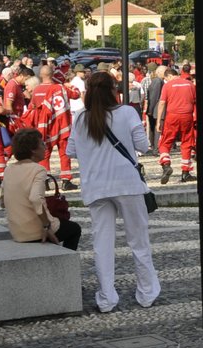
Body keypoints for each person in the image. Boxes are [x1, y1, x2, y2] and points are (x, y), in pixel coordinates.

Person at [67, 71, 159, 313]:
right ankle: (146, 292)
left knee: (102, 243)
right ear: (113, 90)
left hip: (95, 187)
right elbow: (143, 146)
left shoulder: (80, 118)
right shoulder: (127, 113)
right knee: (139, 241)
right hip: (127, 185)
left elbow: (71, 151)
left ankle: (107, 297)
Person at [2, 128, 81, 250]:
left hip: (17, 231)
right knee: (74, 229)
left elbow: (3, 202)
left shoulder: (9, 169)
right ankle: (65, 264)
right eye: (42, 144)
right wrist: (46, 226)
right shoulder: (38, 170)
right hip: (36, 231)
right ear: (33, 150)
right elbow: (35, 198)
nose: (45, 147)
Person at [29, 66, 76, 190]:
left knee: (44, 154)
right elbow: (76, 95)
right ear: (53, 74)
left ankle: (44, 181)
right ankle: (66, 181)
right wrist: (71, 86)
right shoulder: (60, 88)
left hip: (45, 128)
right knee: (64, 153)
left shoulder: (36, 90)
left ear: (40, 75)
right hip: (61, 125)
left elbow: (32, 107)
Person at [156, 65, 197, 183]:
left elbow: (162, 103)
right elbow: (195, 101)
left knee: (165, 141)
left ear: (169, 76)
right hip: (187, 116)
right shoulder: (190, 84)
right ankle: (185, 172)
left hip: (172, 116)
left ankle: (166, 164)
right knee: (187, 142)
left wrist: (159, 121)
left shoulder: (168, 85)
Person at [144, 64, 166, 151]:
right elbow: (154, 96)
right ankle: (156, 148)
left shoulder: (156, 80)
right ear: (160, 72)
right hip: (156, 109)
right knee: (157, 128)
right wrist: (151, 109)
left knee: (154, 128)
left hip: (153, 109)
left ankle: (154, 147)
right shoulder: (158, 81)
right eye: (165, 72)